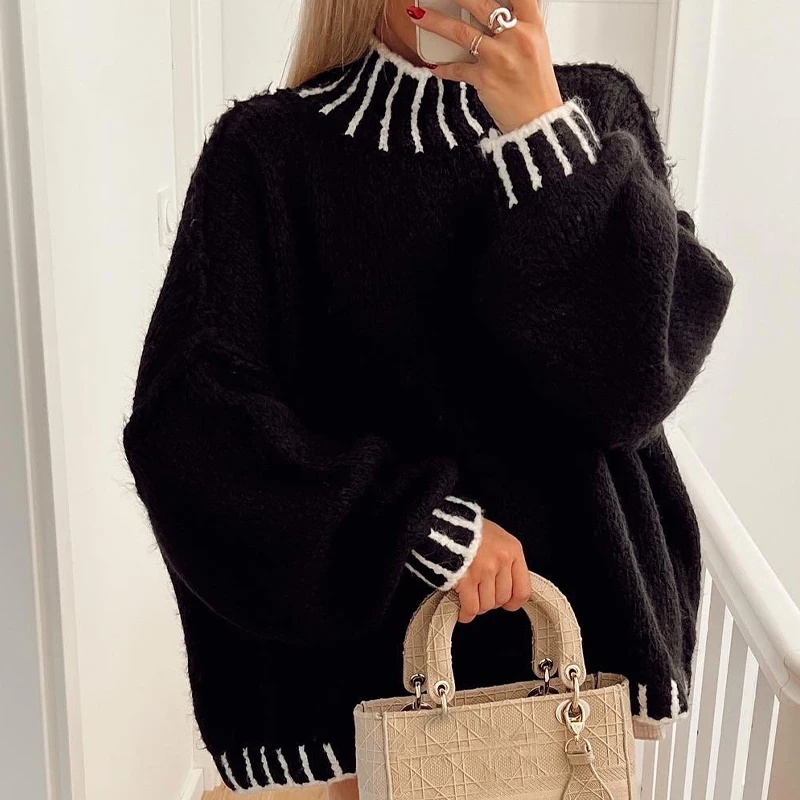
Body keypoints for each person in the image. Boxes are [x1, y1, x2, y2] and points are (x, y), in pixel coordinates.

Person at [121, 0, 734, 797]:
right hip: (367, 688)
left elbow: (632, 389)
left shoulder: (596, 114)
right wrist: (414, 525)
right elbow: (189, 428)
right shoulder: (268, 153)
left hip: (575, 676)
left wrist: (540, 131)